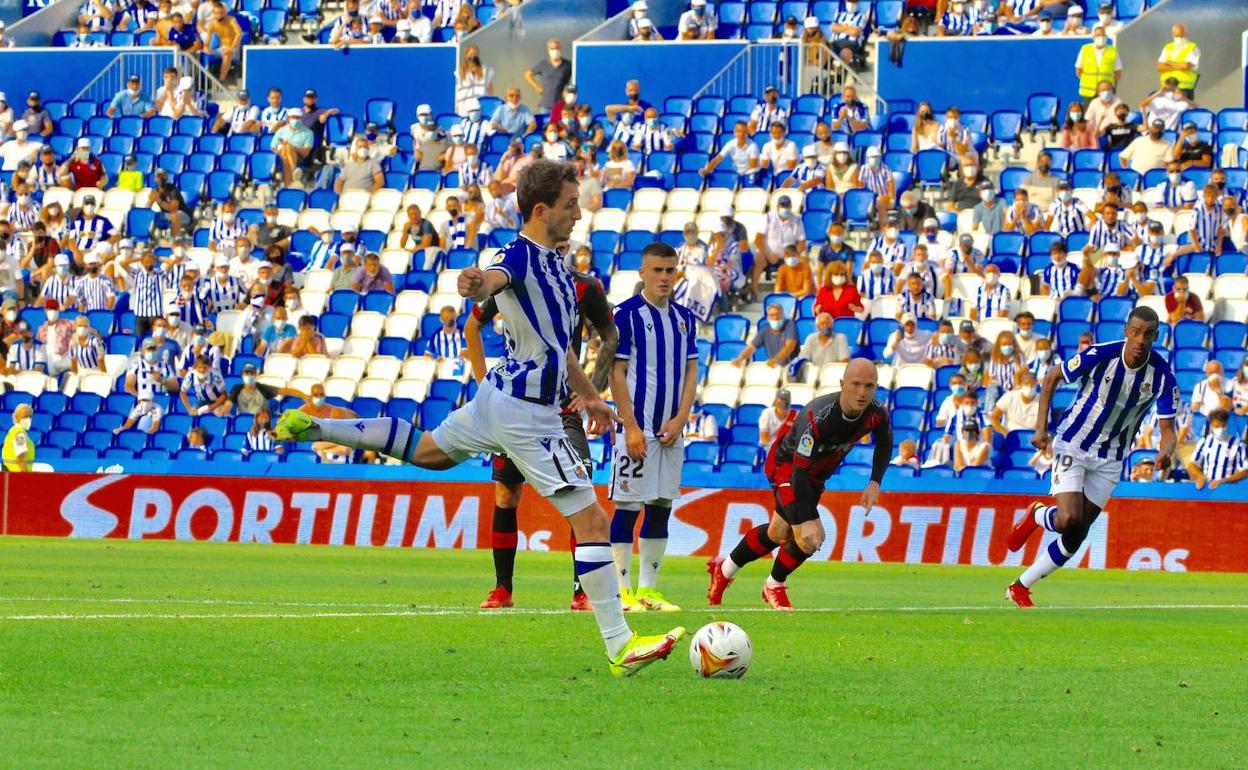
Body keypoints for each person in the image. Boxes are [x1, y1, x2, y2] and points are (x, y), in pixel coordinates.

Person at [272, 159, 684, 676]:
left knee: (429, 452)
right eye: (571, 205)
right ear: (541, 210)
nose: (580, 213)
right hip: (527, 416)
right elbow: (492, 277)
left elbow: (558, 349)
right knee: (592, 520)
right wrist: (474, 282)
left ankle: (318, 427)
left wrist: (592, 398)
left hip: (498, 395)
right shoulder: (520, 256)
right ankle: (620, 646)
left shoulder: (556, 267)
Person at [466, 260, 615, 611]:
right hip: (512, 405)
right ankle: (503, 590)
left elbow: (610, 336)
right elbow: (473, 327)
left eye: (563, 247)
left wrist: (592, 390)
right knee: (506, 494)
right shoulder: (511, 279)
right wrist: (483, 384)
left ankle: (583, 591)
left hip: (562, 409)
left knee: (581, 494)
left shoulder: (583, 287)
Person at [1008, 307, 1176, 607]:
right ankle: (1036, 514)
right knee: (1068, 518)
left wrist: (1165, 452)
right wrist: (1040, 429)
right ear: (1126, 330)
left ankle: (1020, 586)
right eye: (1135, 332)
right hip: (1074, 442)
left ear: (1156, 336)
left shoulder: (1162, 376)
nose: (1140, 340)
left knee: (1077, 533)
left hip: (1111, 458)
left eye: (1148, 335)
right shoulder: (1101, 354)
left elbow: (1168, 429)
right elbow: (1051, 376)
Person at [708, 359, 889, 610]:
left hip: (815, 474)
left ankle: (724, 568)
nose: (862, 392)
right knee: (810, 538)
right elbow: (799, 473)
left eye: (869, 386)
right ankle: (774, 586)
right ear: (841, 384)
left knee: (777, 533)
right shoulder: (818, 416)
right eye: (855, 384)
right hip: (788, 467)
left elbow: (885, 443)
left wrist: (874, 482)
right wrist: (805, 519)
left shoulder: (876, 412)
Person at [607, 243, 698, 613]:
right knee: (628, 505)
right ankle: (622, 591)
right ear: (642, 273)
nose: (664, 277)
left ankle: (649, 590)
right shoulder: (625, 315)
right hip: (637, 428)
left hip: (671, 431)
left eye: (670, 270)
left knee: (660, 505)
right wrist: (630, 426)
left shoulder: (685, 318)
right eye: (657, 270)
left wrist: (681, 418)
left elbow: (692, 370)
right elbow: (616, 371)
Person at [749, 194, 805, 298]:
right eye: (782, 206)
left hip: (789, 253)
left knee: (803, 260)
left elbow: (801, 242)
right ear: (777, 207)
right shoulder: (768, 218)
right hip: (769, 254)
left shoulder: (796, 220)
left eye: (787, 206)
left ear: (790, 207)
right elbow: (758, 239)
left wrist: (794, 254)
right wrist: (768, 254)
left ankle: (796, 292)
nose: (785, 208)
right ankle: (754, 292)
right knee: (759, 259)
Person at [733, 303, 798, 368]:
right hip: (774, 367)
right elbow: (751, 348)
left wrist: (776, 360)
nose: (775, 318)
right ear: (768, 317)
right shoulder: (765, 330)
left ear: (783, 315)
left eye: (778, 314)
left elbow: (790, 346)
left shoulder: (790, 325)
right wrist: (740, 359)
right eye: (772, 315)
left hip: (790, 367)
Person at [1074, 27, 1120, 103]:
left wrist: (1108, 85)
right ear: (1093, 37)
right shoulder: (1085, 50)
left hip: (1106, 92)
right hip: (1088, 92)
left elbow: (1118, 72)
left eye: (1103, 35)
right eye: (1098, 35)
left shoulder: (1113, 51)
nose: (1101, 37)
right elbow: (1079, 70)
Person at [523, 39, 571, 113]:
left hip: (562, 105)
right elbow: (527, 74)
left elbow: (577, 76)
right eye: (552, 49)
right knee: (546, 124)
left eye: (557, 48)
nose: (555, 51)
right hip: (546, 105)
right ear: (548, 50)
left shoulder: (568, 65)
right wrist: (537, 87)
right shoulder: (543, 64)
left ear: (560, 49)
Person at [271, 108, 314, 187]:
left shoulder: (308, 133)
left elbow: (306, 152)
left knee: (287, 148)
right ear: (288, 119)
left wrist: (292, 147)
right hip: (280, 155)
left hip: (299, 157)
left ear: (302, 119)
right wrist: (282, 150)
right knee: (285, 149)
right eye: (293, 117)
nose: (295, 120)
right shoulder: (281, 130)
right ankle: (294, 170)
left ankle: (287, 183)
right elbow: (273, 147)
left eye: (298, 118)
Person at [1156, 23, 1199, 98]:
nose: (1179, 38)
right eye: (1177, 35)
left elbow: (1186, 66)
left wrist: (1169, 62)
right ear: (1172, 34)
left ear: (1186, 34)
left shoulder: (1193, 48)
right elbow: (1159, 67)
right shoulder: (1168, 47)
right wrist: (1179, 66)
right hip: (1167, 89)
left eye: (1181, 35)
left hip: (1184, 89)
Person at [2, 403, 35, 471]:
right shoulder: (19, 434)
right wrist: (26, 476)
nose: (28, 419)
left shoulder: (16, 431)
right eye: (25, 416)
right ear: (17, 417)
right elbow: (21, 457)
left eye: (30, 416)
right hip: (16, 474)